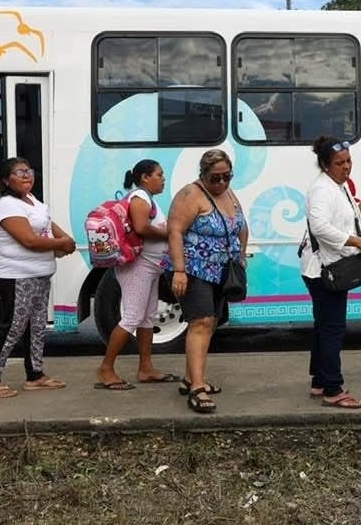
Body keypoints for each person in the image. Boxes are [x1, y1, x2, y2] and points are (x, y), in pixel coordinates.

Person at [0, 157, 74, 398]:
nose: (26, 176)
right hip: (17, 277)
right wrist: (61, 243)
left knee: (37, 327)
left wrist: (65, 240)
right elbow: (30, 241)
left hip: (40, 275)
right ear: (5, 180)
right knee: (13, 329)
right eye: (19, 172)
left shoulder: (32, 200)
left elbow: (48, 225)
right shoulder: (7, 206)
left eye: (29, 171)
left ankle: (35, 375)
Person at [300, 136, 361, 409]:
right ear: (325, 165)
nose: (346, 167)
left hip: (327, 267)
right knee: (333, 329)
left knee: (324, 327)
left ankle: (320, 381)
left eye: (348, 161)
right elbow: (321, 227)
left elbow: (349, 216)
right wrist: (360, 243)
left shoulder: (337, 187)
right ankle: (333, 389)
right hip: (323, 270)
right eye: (339, 163)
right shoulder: (322, 190)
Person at [166, 149, 248, 413]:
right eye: (216, 178)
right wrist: (179, 270)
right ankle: (197, 389)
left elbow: (240, 225)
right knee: (200, 322)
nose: (222, 183)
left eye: (227, 177)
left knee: (211, 322)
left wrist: (241, 256)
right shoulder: (191, 195)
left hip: (222, 271)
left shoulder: (228, 194)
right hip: (194, 269)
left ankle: (191, 377)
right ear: (203, 174)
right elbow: (175, 231)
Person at [95, 159, 176, 391]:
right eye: (159, 174)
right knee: (132, 317)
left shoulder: (147, 199)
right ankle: (106, 369)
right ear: (145, 177)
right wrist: (168, 232)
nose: (163, 179)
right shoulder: (140, 198)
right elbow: (141, 228)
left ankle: (146, 368)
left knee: (147, 317)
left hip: (150, 267)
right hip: (138, 267)